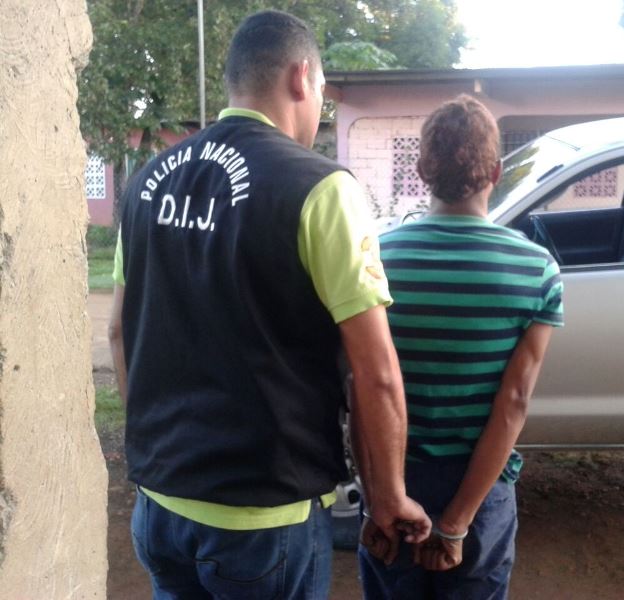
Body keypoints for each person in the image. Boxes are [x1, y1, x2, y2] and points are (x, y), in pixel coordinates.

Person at [108, 10, 429, 599]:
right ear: (302, 77)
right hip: (263, 518)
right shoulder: (320, 188)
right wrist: (387, 498)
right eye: (323, 91)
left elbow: (118, 332)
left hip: (160, 507)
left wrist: (160, 454)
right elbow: (375, 372)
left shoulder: (146, 183)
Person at [358, 95, 564, 599]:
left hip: (394, 480)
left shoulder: (375, 259)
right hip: (482, 491)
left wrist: (376, 497)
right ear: (496, 172)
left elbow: (360, 388)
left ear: (421, 171)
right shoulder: (538, 270)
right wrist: (457, 522)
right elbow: (514, 402)